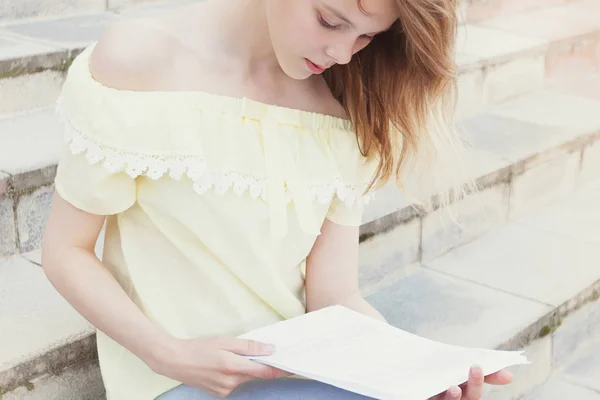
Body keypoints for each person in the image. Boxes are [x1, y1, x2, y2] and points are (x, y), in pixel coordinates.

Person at [41, 0, 514, 399]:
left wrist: (417, 373)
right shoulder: (141, 60)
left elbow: (335, 296)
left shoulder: (341, 115)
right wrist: (167, 353)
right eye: (331, 21)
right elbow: (66, 251)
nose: (343, 54)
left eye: (367, 37)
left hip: (301, 374)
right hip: (171, 378)